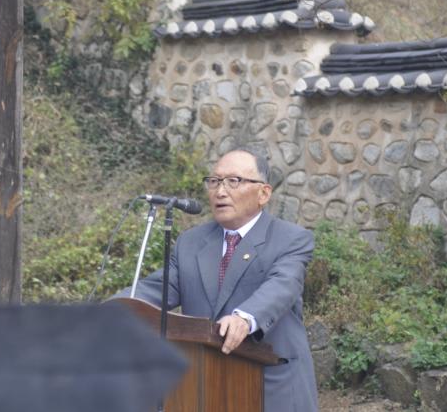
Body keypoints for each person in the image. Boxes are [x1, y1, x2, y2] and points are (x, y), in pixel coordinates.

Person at [122, 148, 318, 411]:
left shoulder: (290, 238)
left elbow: (282, 285)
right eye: (214, 181)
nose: (220, 191)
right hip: (205, 387)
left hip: (271, 386)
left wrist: (244, 318)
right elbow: (156, 289)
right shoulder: (191, 243)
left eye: (233, 181)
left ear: (263, 193)